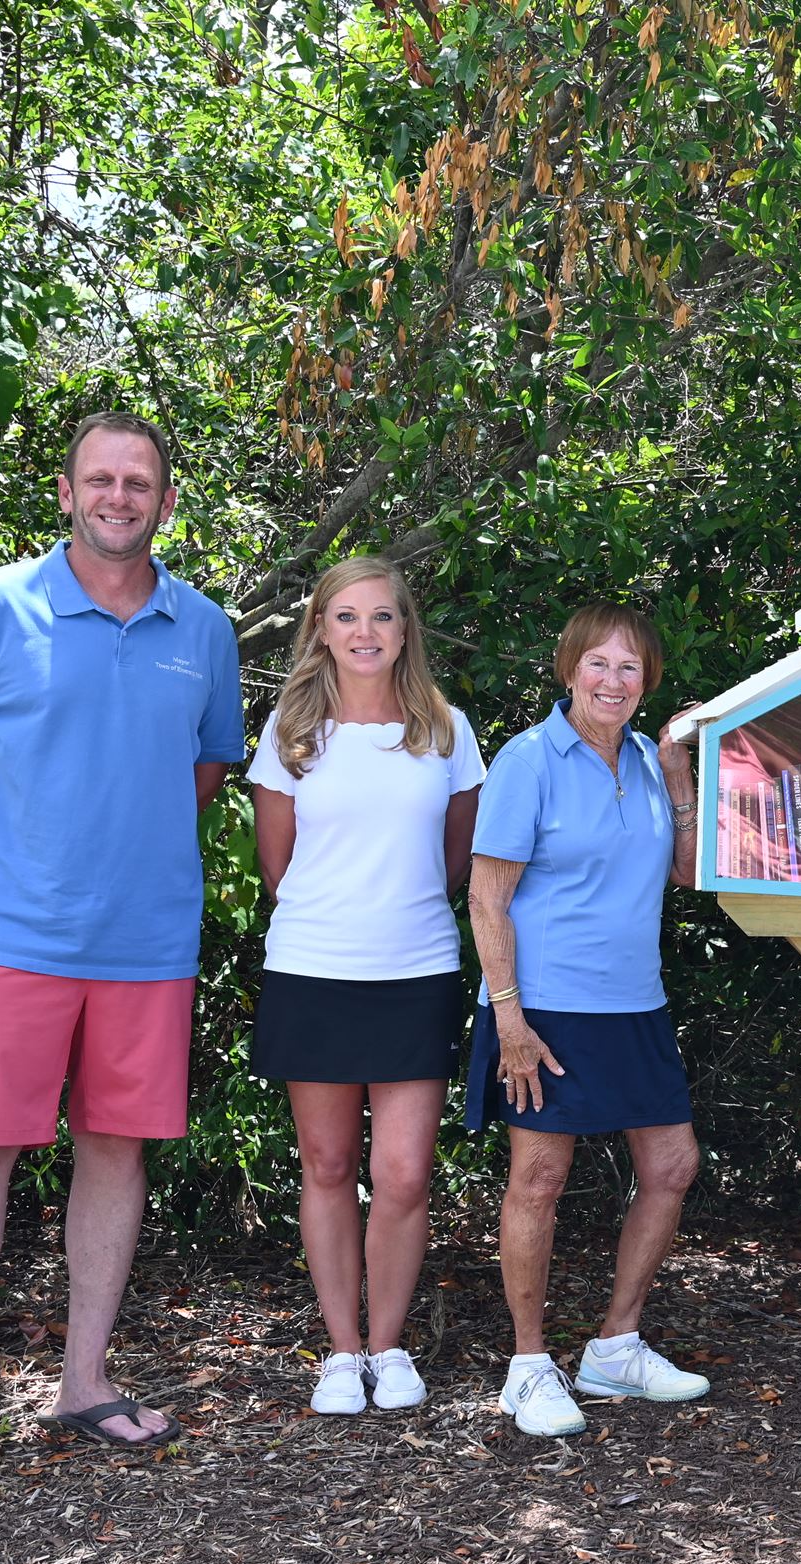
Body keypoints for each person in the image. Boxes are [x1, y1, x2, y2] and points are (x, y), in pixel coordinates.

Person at [0, 412, 244, 1498]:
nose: (119, 495)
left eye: (139, 481)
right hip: (11, 939)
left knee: (115, 1151)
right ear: (66, 490)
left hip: (145, 945)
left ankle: (82, 1379)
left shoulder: (206, 629)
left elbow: (204, 772)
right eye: (101, 478)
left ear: (165, 499)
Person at [248, 557, 485, 1416]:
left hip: (415, 969)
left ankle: (390, 1346)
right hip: (313, 969)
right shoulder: (291, 732)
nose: (364, 633)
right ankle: (341, 1353)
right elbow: (277, 867)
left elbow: (457, 861)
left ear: (404, 630)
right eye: (345, 617)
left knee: (405, 1173)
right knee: (326, 1162)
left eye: (381, 616)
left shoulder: (446, 732)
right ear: (320, 629)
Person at [468, 602, 711, 1437]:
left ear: (648, 683)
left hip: (634, 1005)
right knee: (539, 1180)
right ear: (569, 668)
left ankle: (614, 1349)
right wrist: (509, 1019)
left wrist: (677, 769)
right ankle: (528, 1367)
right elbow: (486, 896)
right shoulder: (527, 760)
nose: (613, 680)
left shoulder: (646, 759)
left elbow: (687, 874)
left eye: (631, 667)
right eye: (598, 664)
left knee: (673, 1166)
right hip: (544, 1010)